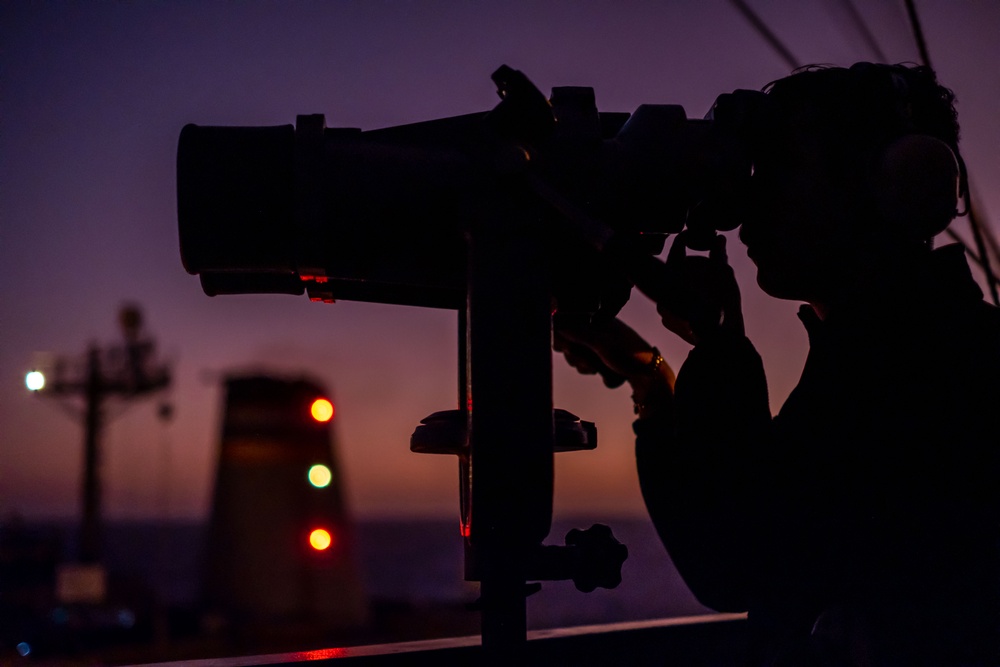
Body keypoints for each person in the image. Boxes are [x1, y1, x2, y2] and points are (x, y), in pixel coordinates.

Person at [555, 63, 1000, 666]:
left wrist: (717, 349)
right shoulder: (906, 344)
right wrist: (650, 378)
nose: (750, 206)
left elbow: (740, 562)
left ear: (893, 183)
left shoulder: (923, 371)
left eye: (783, 172)